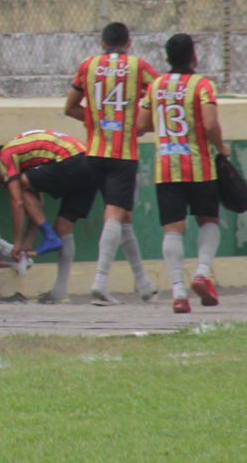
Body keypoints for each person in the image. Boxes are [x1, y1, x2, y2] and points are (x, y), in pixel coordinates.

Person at [63, 22, 158, 304]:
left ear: (102, 43)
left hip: (94, 151)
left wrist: (94, 120)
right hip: (122, 155)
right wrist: (142, 125)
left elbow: (69, 107)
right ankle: (101, 282)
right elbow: (161, 96)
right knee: (116, 213)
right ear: (129, 43)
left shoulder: (88, 66)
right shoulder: (138, 66)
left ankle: (143, 283)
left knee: (123, 217)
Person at [140, 34, 227, 315]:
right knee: (209, 220)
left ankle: (178, 292)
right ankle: (202, 273)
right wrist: (220, 146)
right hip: (199, 166)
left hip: (166, 168)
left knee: (172, 229)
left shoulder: (155, 87)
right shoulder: (202, 85)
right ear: (194, 57)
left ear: (166, 59)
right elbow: (210, 123)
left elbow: (141, 124)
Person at [0, 130, 94, 303]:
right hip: (89, 163)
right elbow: (37, 207)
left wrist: (18, 243)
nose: (7, 185)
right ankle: (60, 292)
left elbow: (18, 203)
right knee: (64, 228)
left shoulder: (4, 157)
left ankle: (50, 236)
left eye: (3, 182)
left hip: (70, 158)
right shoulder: (30, 161)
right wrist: (28, 244)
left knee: (20, 186)